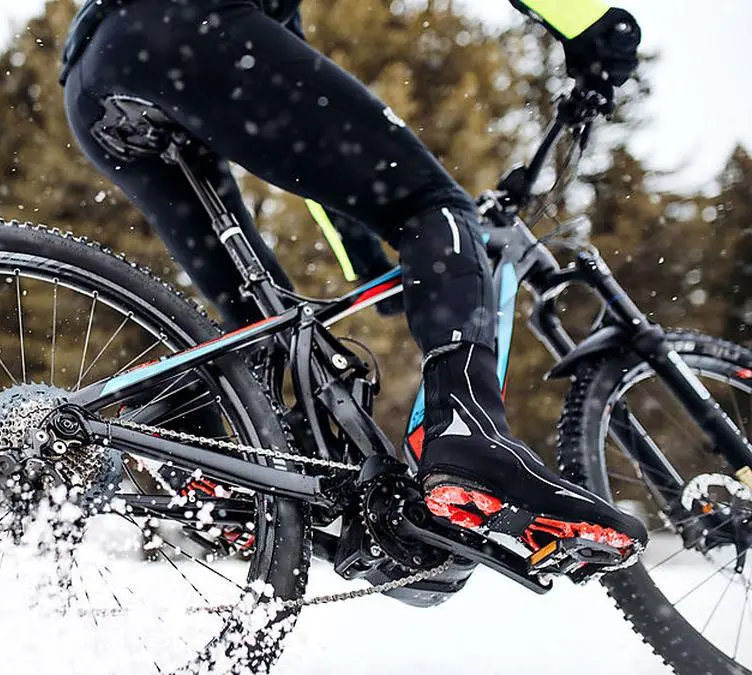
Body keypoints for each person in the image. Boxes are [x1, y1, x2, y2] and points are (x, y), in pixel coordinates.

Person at [58, 0, 648, 578]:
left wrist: (368, 263)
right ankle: (467, 435)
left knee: (261, 319)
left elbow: (322, 171)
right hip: (189, 24)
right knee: (434, 207)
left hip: (95, 78)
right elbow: (328, 151)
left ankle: (213, 448)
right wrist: (589, 23)